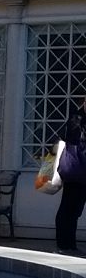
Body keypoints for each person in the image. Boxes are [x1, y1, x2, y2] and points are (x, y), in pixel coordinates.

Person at [54, 99, 86, 253]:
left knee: (74, 210)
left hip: (81, 172)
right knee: (68, 208)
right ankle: (63, 244)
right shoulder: (76, 118)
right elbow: (72, 139)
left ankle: (70, 245)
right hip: (76, 171)